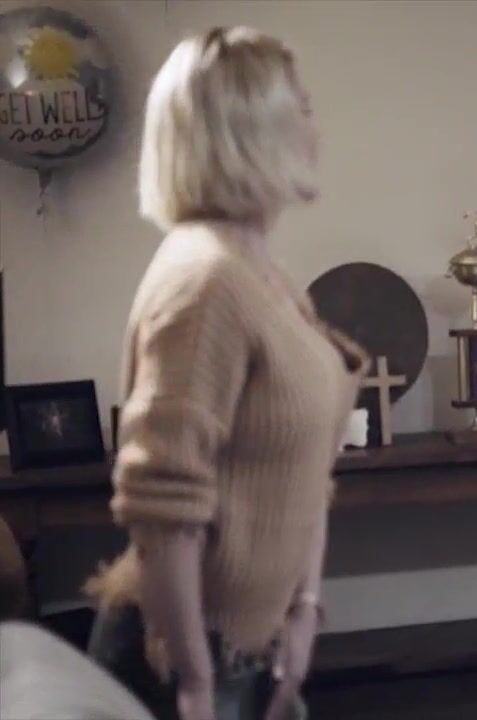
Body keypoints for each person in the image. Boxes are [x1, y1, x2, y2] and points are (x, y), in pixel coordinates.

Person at [83, 26, 370, 720]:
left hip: (248, 650)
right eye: (301, 108)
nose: (315, 128)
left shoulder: (263, 276)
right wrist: (195, 682)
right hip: (182, 661)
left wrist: (303, 610)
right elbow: (162, 508)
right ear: (249, 130)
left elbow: (309, 474)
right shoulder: (204, 281)